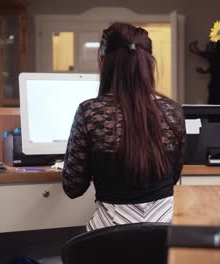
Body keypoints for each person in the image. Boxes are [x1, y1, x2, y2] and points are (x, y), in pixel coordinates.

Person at [62, 23, 186, 231]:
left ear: (103, 63)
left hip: (110, 238)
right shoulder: (173, 112)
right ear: (148, 65)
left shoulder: (90, 112)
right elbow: (173, 176)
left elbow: (73, 187)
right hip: (166, 235)